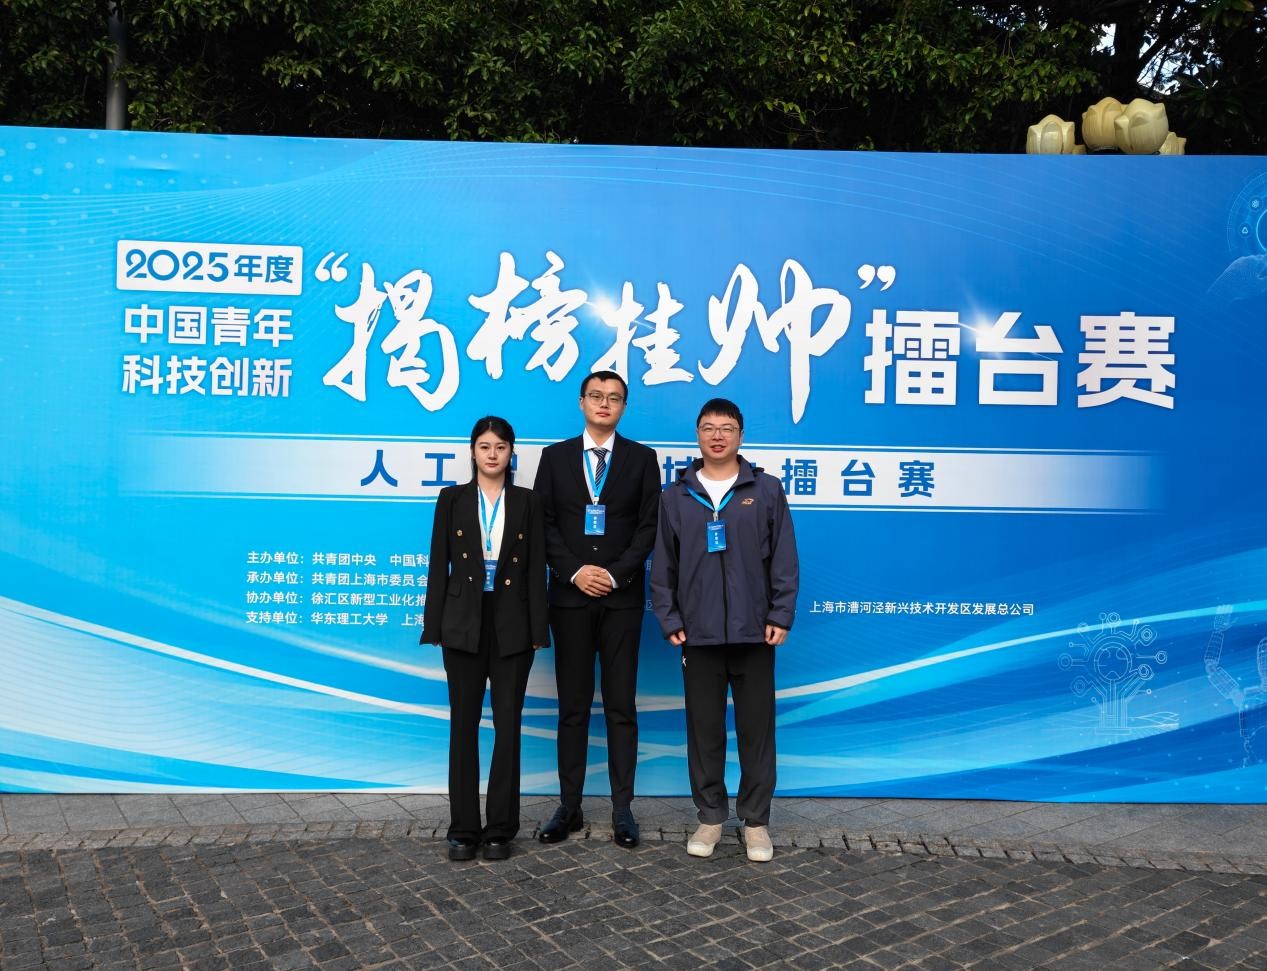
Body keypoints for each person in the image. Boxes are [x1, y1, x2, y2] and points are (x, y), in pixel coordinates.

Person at [650, 398, 798, 862]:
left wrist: (780, 615)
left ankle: (756, 823)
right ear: (697, 434)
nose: (717, 436)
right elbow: (663, 565)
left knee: (757, 732)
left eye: (727, 428)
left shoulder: (767, 490)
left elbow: (784, 558)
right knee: (704, 731)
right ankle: (710, 817)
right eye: (709, 427)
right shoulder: (676, 496)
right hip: (698, 635)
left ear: (740, 435)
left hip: (756, 633)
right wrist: (671, 619)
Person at [533, 369, 661, 848]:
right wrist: (574, 572)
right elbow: (543, 524)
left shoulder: (643, 459)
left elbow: (649, 527)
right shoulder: (555, 457)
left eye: (614, 398)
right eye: (596, 396)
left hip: (621, 599)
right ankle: (569, 805)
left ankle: (623, 809)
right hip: (569, 599)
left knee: (621, 706)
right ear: (581, 402)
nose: (604, 403)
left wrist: (614, 574)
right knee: (573, 707)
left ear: (624, 407)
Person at [421, 416, 549, 862]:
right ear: (472, 451)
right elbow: (439, 564)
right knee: (463, 725)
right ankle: (462, 829)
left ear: (512, 453)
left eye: (501, 447)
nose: (492, 454)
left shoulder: (528, 501)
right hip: (463, 622)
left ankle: (500, 829)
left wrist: (538, 630)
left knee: (508, 726)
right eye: (484, 446)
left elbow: (536, 568)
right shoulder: (451, 499)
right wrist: (434, 626)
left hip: (513, 622)